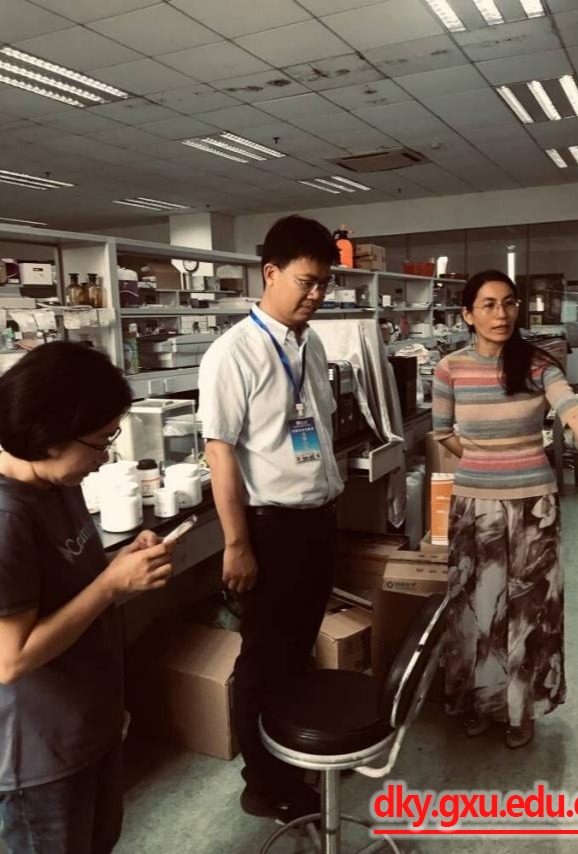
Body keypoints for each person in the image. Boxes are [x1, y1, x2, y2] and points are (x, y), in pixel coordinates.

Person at [0, 341, 175, 854]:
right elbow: (11, 659)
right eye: (99, 443)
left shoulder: (60, 484)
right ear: (49, 436)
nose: (104, 458)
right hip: (40, 755)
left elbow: (75, 583)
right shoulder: (8, 518)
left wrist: (124, 566)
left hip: (90, 720)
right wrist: (111, 585)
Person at [198, 215, 343, 821]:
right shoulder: (233, 353)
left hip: (316, 522)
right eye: (307, 282)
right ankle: (263, 783)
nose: (317, 294)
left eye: (325, 284)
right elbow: (220, 452)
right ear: (271, 273)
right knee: (263, 658)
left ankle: (293, 754)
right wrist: (237, 545)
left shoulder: (309, 344)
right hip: (270, 529)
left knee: (296, 650)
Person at [433, 270, 578, 749]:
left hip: (534, 505)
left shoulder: (537, 363)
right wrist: (484, 460)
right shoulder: (450, 368)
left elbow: (572, 409)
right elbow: (443, 432)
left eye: (509, 303)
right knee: (477, 609)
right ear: (467, 314)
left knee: (529, 611)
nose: (502, 314)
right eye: (488, 305)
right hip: (474, 505)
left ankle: (520, 711)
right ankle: (478, 702)